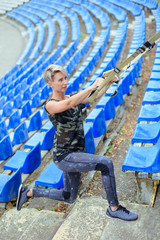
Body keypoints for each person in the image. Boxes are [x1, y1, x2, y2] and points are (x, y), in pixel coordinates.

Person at [16, 64, 138, 221]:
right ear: (50, 84)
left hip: (76, 154)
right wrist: (92, 85)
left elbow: (95, 95)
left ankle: (29, 192)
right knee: (105, 164)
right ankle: (114, 208)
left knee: (69, 196)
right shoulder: (50, 105)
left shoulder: (72, 98)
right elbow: (68, 104)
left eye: (65, 78)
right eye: (60, 80)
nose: (65, 82)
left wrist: (108, 82)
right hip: (65, 156)